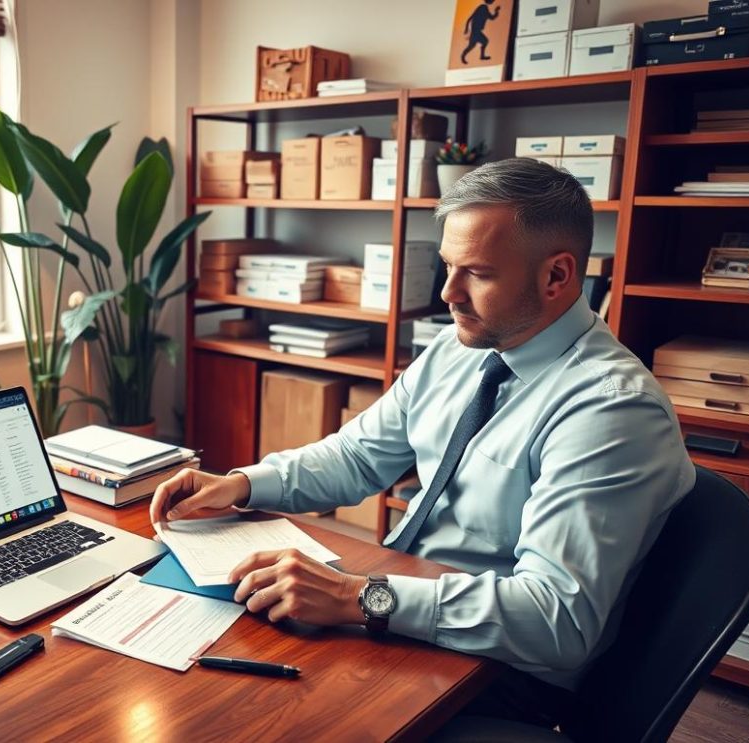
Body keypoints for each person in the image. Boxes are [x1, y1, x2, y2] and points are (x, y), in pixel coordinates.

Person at [150, 158, 695, 728]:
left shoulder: (610, 410)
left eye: (477, 274)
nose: (448, 293)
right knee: (203, 673)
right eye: (447, 267)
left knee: (259, 717)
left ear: (556, 277)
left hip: (499, 671)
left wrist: (357, 597)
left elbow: (555, 621)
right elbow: (357, 455)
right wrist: (240, 484)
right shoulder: (461, 348)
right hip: (402, 608)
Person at [461, 0, 501, 64]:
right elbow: (471, 17)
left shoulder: (485, 8)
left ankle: (481, 56)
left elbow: (492, 17)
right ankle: (464, 56)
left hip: (477, 30)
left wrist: (496, 11)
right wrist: (466, 29)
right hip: (475, 30)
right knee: (474, 45)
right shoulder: (482, 8)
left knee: (476, 44)